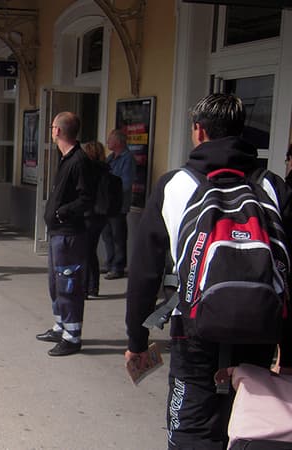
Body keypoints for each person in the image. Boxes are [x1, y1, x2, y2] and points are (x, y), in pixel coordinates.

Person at [124, 93, 292, 449]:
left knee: (191, 431)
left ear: (198, 131)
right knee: (255, 429)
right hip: (259, 334)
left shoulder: (174, 185)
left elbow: (144, 273)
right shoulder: (273, 186)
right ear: (241, 131)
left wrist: (137, 341)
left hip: (194, 333)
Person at [35, 111, 94, 357]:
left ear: (58, 131)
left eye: (52, 126)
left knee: (68, 285)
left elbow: (87, 198)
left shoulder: (79, 160)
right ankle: (60, 326)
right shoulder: (66, 158)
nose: (51, 130)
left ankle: (72, 336)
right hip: (59, 233)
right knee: (55, 284)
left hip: (69, 235)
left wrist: (62, 212)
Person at [100, 129, 135, 279]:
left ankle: (118, 266)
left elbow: (125, 184)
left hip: (119, 204)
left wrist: (109, 187)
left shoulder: (127, 159)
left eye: (110, 139)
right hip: (107, 203)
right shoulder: (110, 158)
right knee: (107, 235)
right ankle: (109, 263)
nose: (107, 142)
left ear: (119, 142)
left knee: (118, 236)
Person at [81, 141, 107, 299]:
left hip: (89, 214)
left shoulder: (89, 170)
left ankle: (85, 288)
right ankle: (93, 287)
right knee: (91, 252)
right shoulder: (105, 168)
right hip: (100, 215)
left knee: (85, 252)